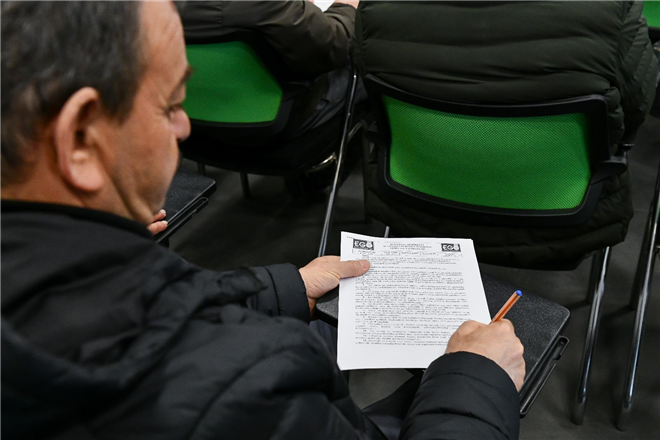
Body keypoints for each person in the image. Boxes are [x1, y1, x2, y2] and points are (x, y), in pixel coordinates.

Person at [0, 1, 524, 439]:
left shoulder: (57, 279)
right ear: (80, 138)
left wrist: (285, 289)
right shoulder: (247, 388)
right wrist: (476, 381)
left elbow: (149, 312)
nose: (184, 128)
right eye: (170, 105)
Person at [355, 0, 659, 269]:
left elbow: (367, 99)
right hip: (565, 218)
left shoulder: (377, 9)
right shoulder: (611, 10)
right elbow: (636, 110)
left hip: (414, 206)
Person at [181, 0, 364, 137]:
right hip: (281, 122)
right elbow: (332, 46)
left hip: (193, 122)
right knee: (368, 58)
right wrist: (346, 7)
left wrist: (298, 11)